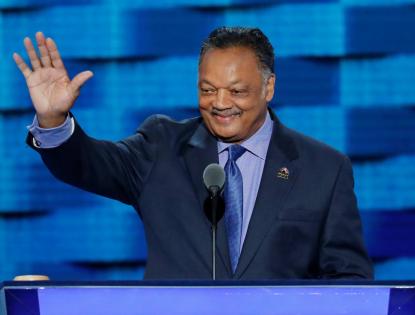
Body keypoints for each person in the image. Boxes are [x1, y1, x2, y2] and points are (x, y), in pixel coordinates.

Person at [14, 27, 373, 280]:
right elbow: (87, 164)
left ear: (269, 87)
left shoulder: (324, 168)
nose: (220, 103)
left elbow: (349, 280)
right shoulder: (161, 147)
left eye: (236, 91)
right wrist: (53, 119)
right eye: (207, 89)